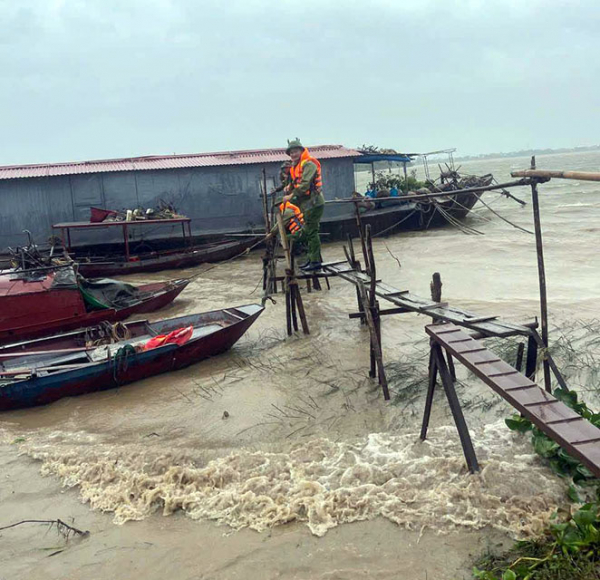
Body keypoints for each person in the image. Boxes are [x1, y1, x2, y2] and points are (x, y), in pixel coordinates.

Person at [281, 139, 324, 271]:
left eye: (295, 151)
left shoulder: (309, 164)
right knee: (310, 231)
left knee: (312, 232)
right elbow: (296, 181)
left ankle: (315, 262)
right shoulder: (297, 165)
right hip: (307, 204)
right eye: (291, 152)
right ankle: (312, 259)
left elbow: (305, 184)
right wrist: (289, 186)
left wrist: (290, 195)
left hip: (314, 203)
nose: (293, 154)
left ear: (301, 151)